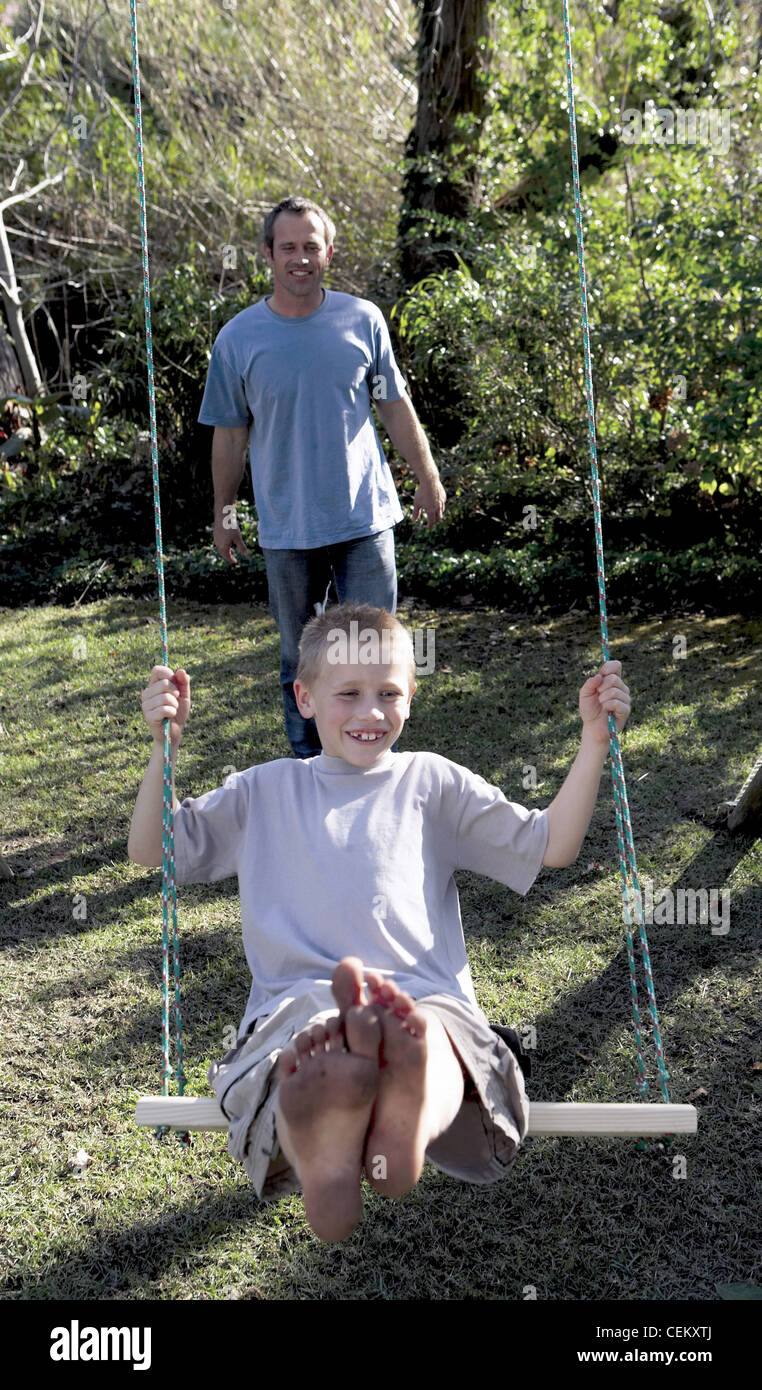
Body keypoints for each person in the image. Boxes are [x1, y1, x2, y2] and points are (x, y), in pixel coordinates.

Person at [128, 602, 631, 1243]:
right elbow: (156, 848)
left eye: (388, 693)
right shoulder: (263, 791)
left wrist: (593, 741)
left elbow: (551, 842)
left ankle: (375, 1114)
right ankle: (375, 1114)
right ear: (304, 698)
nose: (370, 712)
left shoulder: (433, 783)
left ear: (411, 698)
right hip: (318, 1007)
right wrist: (162, 751)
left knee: (422, 1040)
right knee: (401, 1044)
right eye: (349, 694)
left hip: (405, 1007)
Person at [198, 194, 446, 757]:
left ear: (329, 252)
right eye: (288, 247)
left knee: (376, 650)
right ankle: (308, 763)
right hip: (288, 530)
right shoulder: (238, 339)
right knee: (299, 657)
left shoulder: (363, 320)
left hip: (364, 518)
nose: (300, 258)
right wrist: (225, 513)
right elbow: (230, 435)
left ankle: (373, 758)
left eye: (311, 246)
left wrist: (427, 476)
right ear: (268, 254)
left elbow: (394, 407)